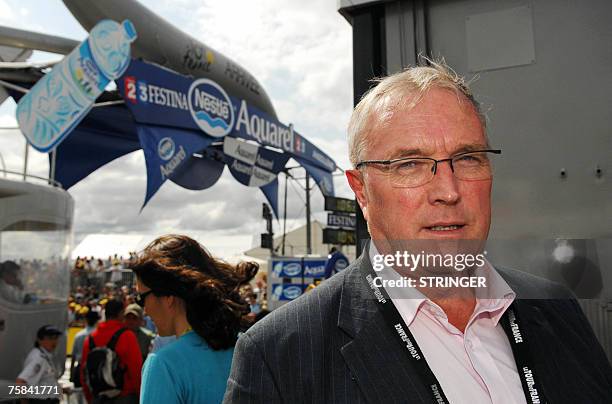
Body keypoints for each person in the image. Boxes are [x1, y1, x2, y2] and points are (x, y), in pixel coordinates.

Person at [224, 61, 612, 403]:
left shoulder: (555, 307)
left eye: (467, 158)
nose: (448, 191)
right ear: (361, 189)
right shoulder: (281, 355)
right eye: (409, 164)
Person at [129, 234, 257, 404]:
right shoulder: (249, 349)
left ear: (168, 296)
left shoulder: (163, 364)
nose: (144, 310)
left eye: (141, 298)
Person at [80, 299, 142, 403]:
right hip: (124, 396)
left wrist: (90, 398)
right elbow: (136, 370)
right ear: (121, 313)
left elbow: (84, 372)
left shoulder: (90, 339)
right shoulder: (127, 336)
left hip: (98, 397)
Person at [16, 325, 64, 403]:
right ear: (40, 340)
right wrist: (24, 402)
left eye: (56, 338)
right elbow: (21, 381)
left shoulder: (45, 355)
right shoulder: (38, 358)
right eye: (50, 338)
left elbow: (46, 382)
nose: (54, 342)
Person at [71, 311, 100, 388]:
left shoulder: (79, 335)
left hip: (80, 369)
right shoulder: (99, 335)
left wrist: (72, 373)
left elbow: (73, 356)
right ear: (97, 320)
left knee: (79, 396)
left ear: (86, 320)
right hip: (95, 370)